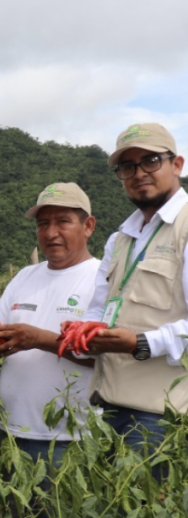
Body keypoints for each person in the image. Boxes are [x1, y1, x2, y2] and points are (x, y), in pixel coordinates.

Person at [0, 183, 99, 468]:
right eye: (43, 224)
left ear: (88, 226)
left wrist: (38, 339)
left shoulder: (102, 279)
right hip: (11, 432)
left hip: (72, 439)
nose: (51, 232)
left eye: (63, 222)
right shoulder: (25, 277)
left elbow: (107, 357)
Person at [82, 123, 188, 451]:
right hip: (106, 405)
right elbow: (100, 306)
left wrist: (140, 342)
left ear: (177, 164)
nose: (139, 172)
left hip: (162, 414)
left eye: (151, 160)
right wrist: (86, 331)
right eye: (127, 166)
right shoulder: (121, 238)